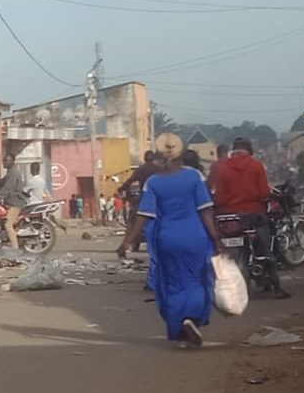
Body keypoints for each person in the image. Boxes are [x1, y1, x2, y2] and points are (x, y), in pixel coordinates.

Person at [117, 140, 224, 348]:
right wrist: (216, 239)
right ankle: (191, 319)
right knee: (197, 280)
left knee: (173, 284)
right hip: (195, 236)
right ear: (180, 153)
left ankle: (180, 332)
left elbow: (143, 215)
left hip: (167, 238)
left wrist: (127, 242)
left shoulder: (154, 182)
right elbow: (205, 210)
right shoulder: (195, 177)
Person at [210, 136, 287, 299]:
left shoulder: (224, 169)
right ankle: (277, 288)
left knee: (236, 252)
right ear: (249, 149)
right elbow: (264, 193)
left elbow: (220, 197)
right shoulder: (256, 166)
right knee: (266, 248)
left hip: (232, 219)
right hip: (254, 214)